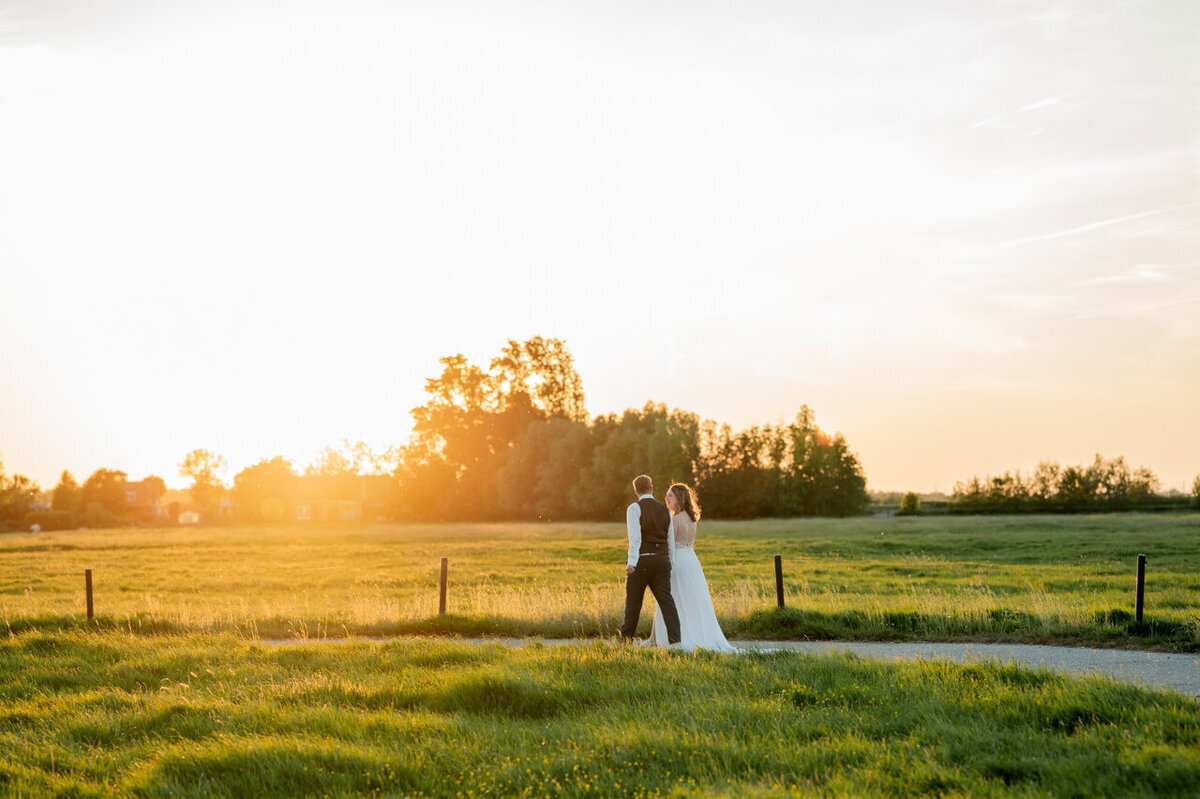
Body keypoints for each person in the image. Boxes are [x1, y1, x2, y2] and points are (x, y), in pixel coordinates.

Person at [649, 483, 737, 652]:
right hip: (691, 561)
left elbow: (669, 545)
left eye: (670, 496)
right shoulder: (692, 519)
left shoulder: (674, 520)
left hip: (677, 562)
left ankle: (663, 638)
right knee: (690, 600)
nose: (666, 498)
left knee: (668, 599)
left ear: (679, 499)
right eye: (667, 495)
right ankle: (654, 638)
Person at [620, 474, 681, 646]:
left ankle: (625, 641)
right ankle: (676, 642)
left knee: (633, 602)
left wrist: (632, 562)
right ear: (651, 489)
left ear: (635, 491)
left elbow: (635, 537)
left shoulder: (634, 508)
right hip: (662, 561)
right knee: (666, 601)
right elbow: (670, 540)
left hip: (642, 561)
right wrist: (671, 563)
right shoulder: (665, 510)